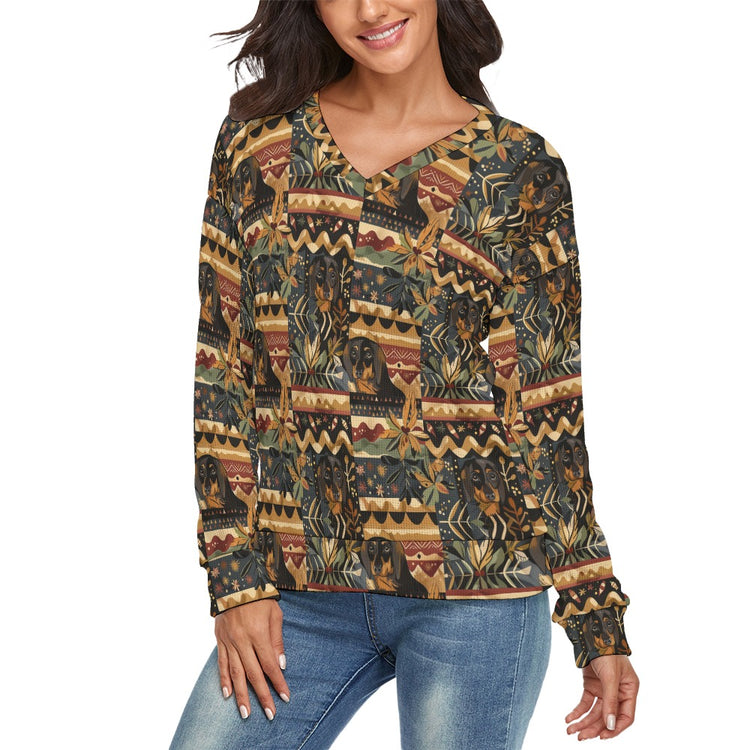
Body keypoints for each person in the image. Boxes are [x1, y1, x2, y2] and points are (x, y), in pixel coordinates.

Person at [171, 1, 640, 748]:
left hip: (478, 591)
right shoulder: (258, 146)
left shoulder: (517, 168)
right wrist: (235, 580)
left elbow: (545, 404)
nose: (370, 9)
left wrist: (596, 614)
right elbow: (222, 369)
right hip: (296, 589)